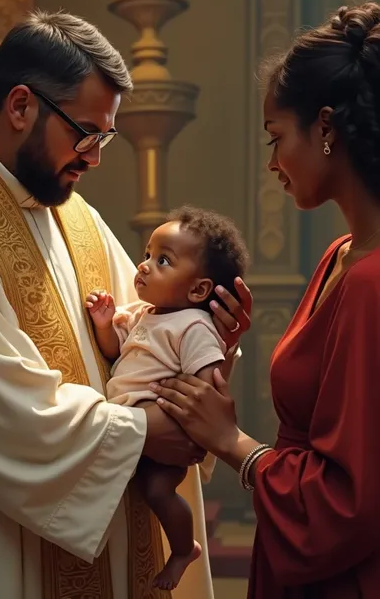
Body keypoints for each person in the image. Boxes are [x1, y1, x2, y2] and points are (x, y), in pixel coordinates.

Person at [0, 10, 243, 599]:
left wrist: (204, 345)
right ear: (20, 106)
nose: (95, 155)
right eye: (85, 132)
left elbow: (147, 336)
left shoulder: (71, 212)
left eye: (104, 136)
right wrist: (138, 433)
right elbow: (0, 411)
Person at [151, 1, 380, 599]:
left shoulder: (371, 281)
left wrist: (235, 446)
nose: (273, 162)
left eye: (277, 137)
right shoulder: (341, 255)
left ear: (326, 128)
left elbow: (348, 503)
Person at [86, 205, 249, 591]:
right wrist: (106, 324)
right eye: (146, 255)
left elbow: (206, 380)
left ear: (197, 289)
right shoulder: (143, 313)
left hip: (168, 429)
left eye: (162, 261)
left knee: (159, 491)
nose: (144, 266)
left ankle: (182, 550)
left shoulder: (192, 326)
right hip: (133, 428)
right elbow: (115, 350)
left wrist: (184, 424)